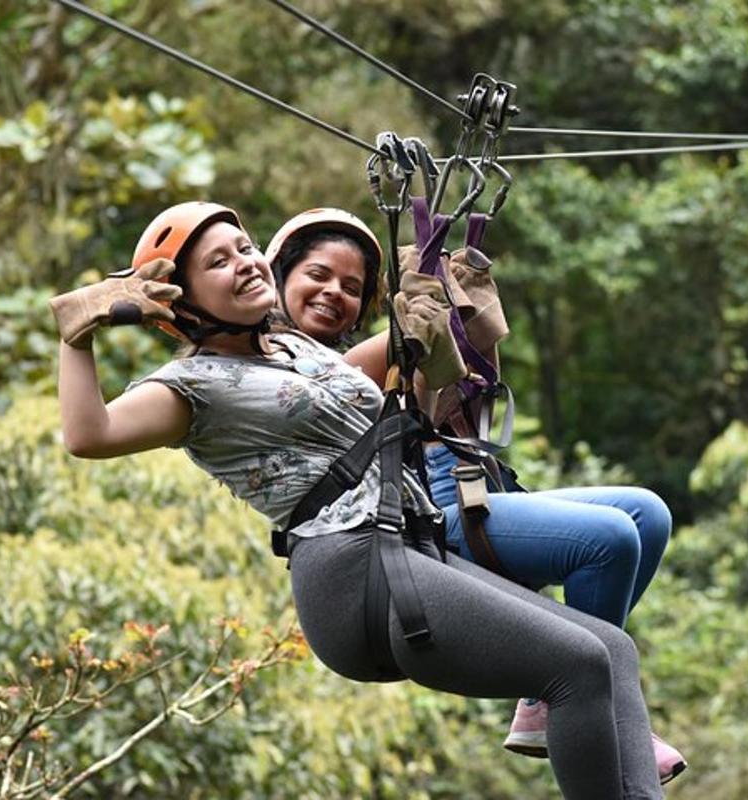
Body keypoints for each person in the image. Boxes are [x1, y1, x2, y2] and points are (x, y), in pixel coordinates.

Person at [51, 201, 665, 799]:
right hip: (351, 575)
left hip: (409, 549)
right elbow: (90, 435)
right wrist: (78, 337)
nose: (242, 262)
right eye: (217, 263)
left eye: (243, 248)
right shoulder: (191, 388)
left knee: (611, 649)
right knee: (577, 662)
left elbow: (422, 362)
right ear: (180, 304)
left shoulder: (304, 353)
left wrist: (444, 303)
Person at [266, 208, 685, 784]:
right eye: (317, 275)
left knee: (647, 513)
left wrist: (456, 302)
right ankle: (571, 698)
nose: (333, 292)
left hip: (466, 488)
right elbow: (360, 366)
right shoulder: (285, 372)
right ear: (279, 277)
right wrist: (424, 318)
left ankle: (575, 694)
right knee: (608, 541)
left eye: (351, 287)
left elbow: (414, 358)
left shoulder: (364, 358)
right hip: (427, 521)